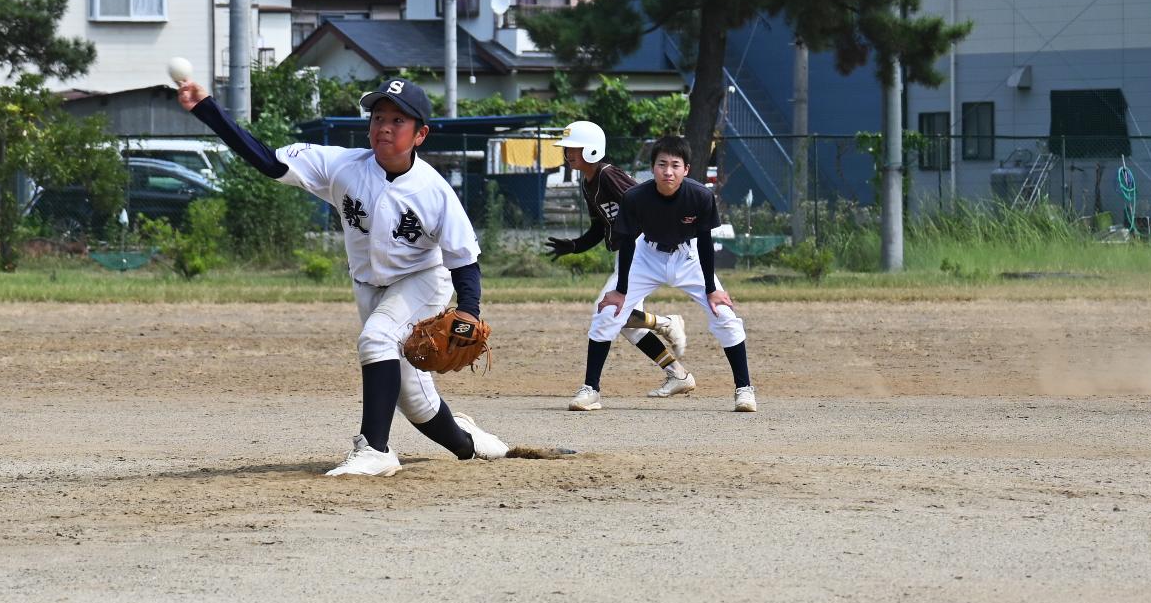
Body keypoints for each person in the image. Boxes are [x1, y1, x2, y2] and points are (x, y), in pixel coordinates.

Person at [174, 73, 509, 475]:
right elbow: (269, 162)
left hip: (421, 280)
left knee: (376, 339)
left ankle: (375, 450)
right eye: (378, 117)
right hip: (369, 286)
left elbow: (464, 259)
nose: (384, 127)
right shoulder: (343, 166)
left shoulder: (434, 191)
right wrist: (207, 109)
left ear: (420, 134)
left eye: (397, 120)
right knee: (413, 398)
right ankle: (471, 444)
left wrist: (469, 311)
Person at [583, 133, 759, 412]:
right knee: (608, 313)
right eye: (662, 164)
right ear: (652, 168)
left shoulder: (700, 196)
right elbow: (628, 243)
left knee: (724, 315)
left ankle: (744, 390)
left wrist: (712, 290)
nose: (668, 171)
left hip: (687, 256)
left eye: (675, 165)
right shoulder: (635, 197)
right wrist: (621, 291)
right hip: (646, 255)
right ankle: (590, 390)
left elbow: (704, 242)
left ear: (686, 169)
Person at [543, 120, 694, 410]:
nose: (567, 153)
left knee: (607, 311)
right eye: (567, 149)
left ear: (591, 149)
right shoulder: (588, 182)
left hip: (639, 248)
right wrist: (574, 246)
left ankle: (592, 389)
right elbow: (598, 228)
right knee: (623, 323)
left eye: (573, 148)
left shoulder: (608, 174)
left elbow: (643, 201)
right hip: (627, 251)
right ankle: (677, 373)